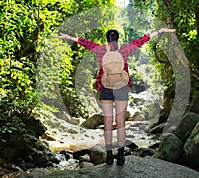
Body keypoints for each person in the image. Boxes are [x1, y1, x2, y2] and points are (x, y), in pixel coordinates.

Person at [56, 28, 175, 166]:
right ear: (118, 39)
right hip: (121, 88)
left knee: (107, 122)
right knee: (120, 123)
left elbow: (84, 42)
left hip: (106, 88)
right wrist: (160, 31)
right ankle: (120, 156)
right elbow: (142, 40)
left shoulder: (100, 49)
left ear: (106, 40)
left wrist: (69, 36)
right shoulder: (124, 49)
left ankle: (108, 156)